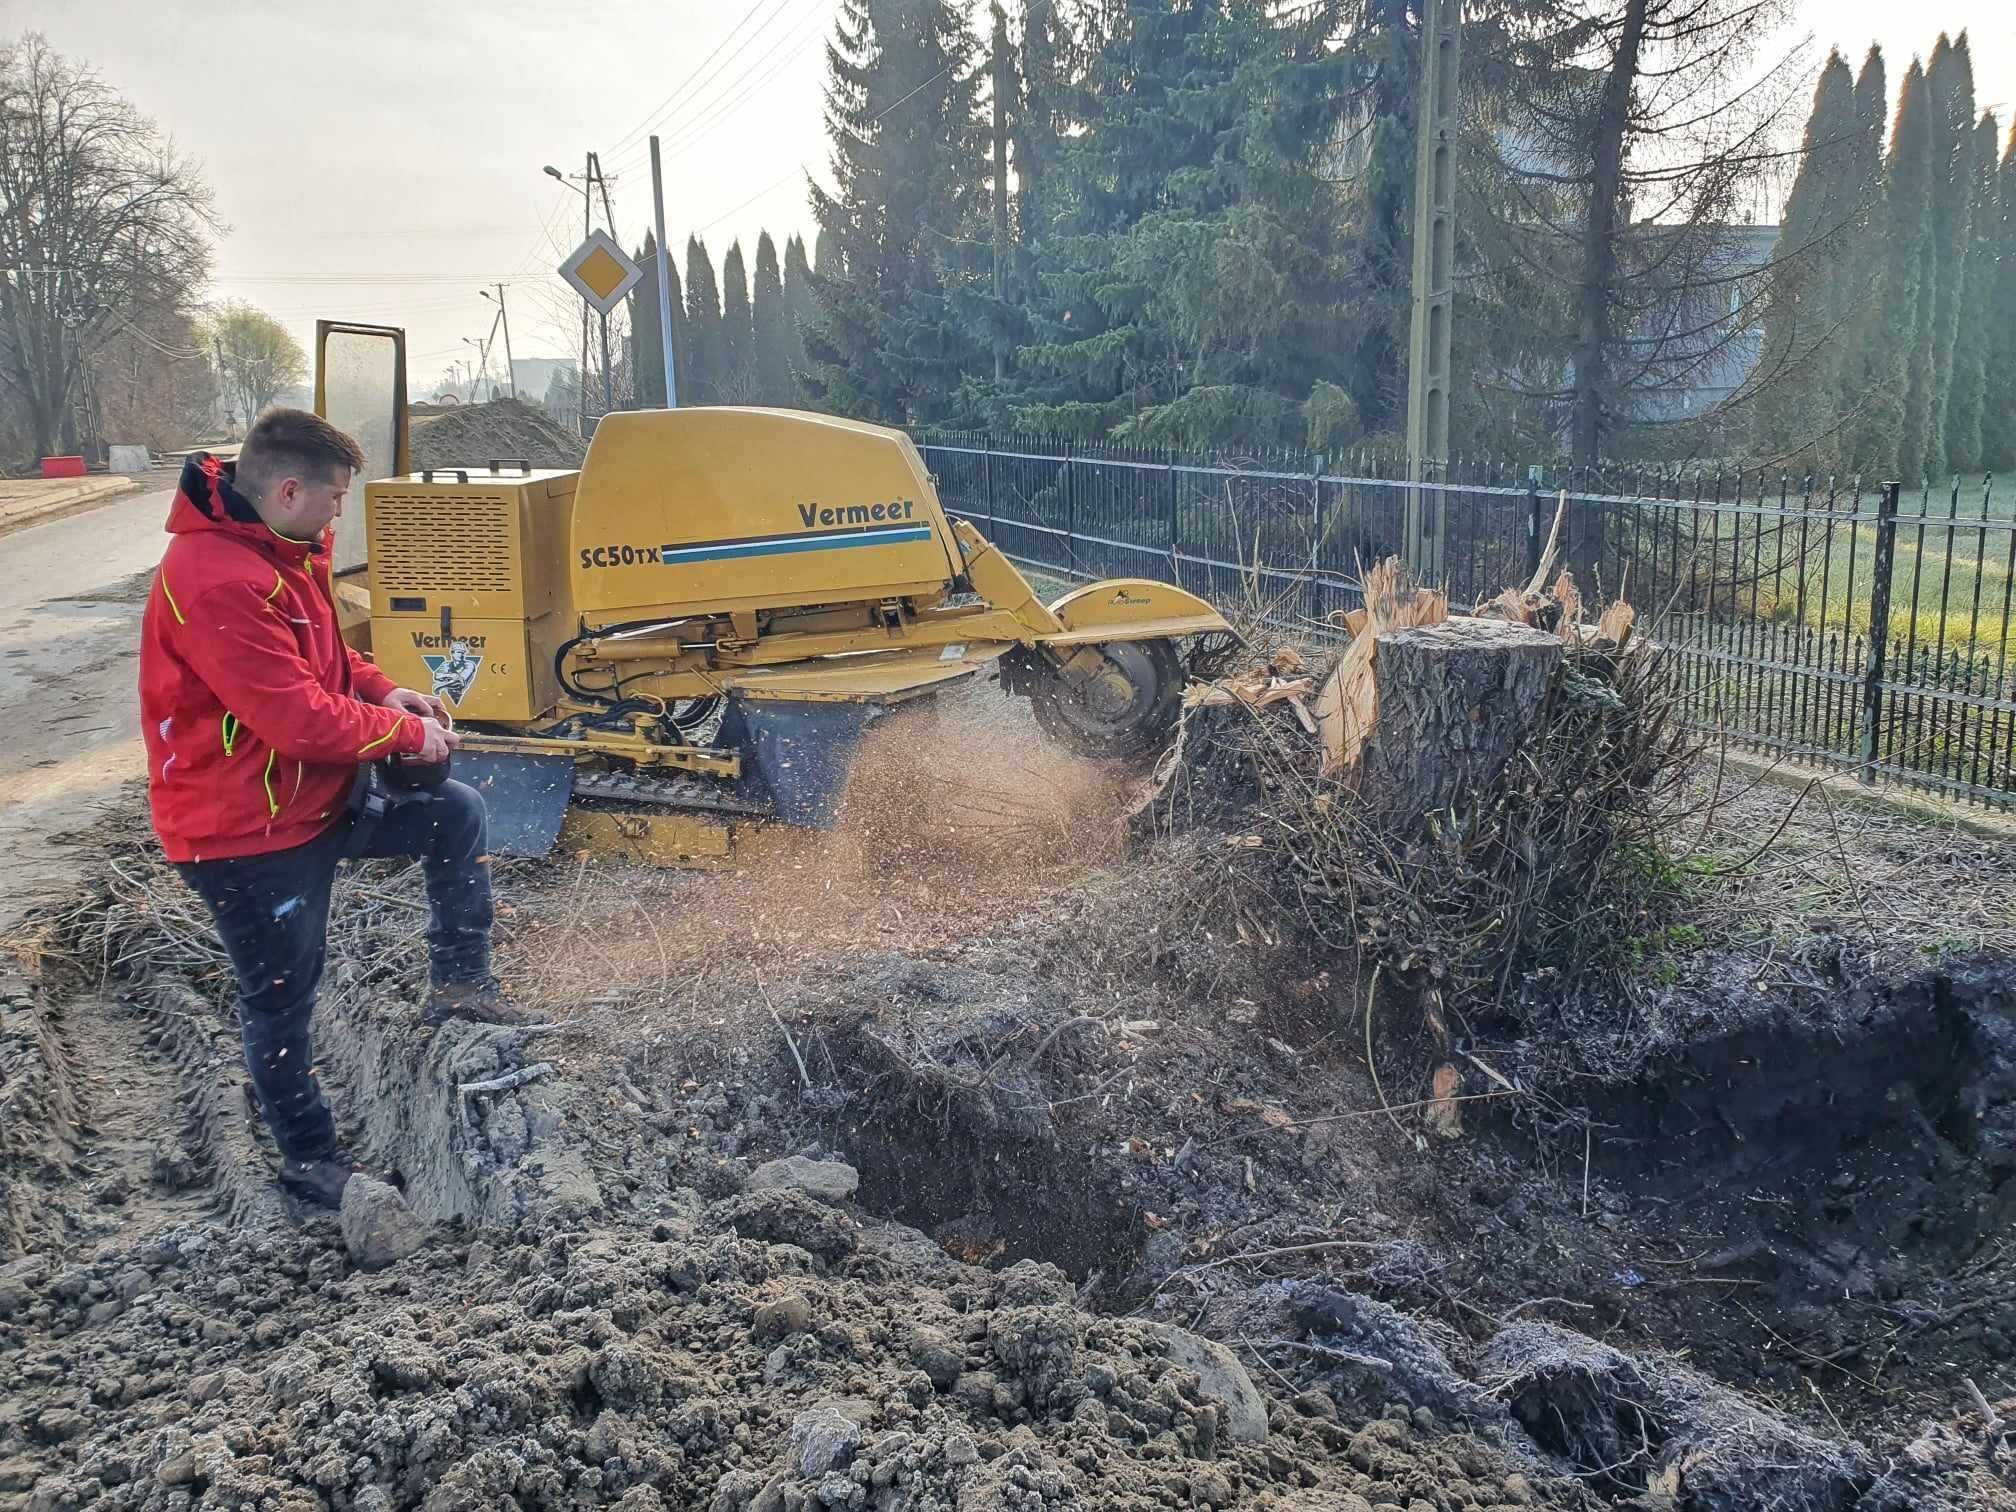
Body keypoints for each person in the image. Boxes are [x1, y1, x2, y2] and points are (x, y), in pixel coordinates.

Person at [138, 408, 537, 1209]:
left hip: (310, 798)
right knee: (282, 995)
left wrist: (386, 687)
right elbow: (296, 718)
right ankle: (311, 1163)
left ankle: (460, 983)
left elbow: (324, 660)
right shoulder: (216, 580)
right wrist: (403, 733)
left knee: (453, 815)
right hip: (242, 832)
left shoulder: (283, 550)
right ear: (289, 489)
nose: (339, 516)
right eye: (336, 499)